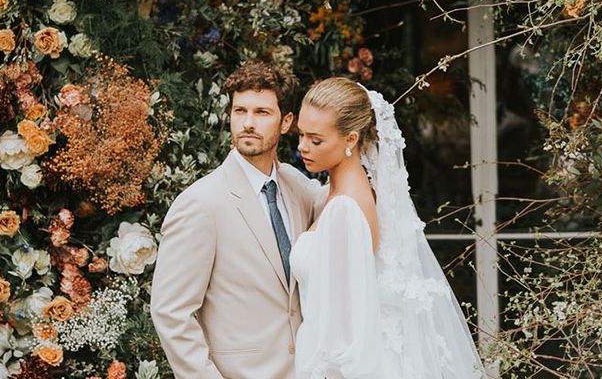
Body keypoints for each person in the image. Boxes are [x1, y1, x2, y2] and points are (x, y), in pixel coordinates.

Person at [290, 77, 487, 379]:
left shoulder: (345, 209)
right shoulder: (345, 192)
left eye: (316, 140)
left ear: (351, 140)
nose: (303, 146)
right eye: (301, 134)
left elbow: (346, 331)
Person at [150, 61, 323, 379]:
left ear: (286, 122)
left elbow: (343, 205)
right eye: (239, 111)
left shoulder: (297, 188)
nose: (247, 123)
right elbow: (171, 313)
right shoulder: (200, 203)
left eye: (261, 113)